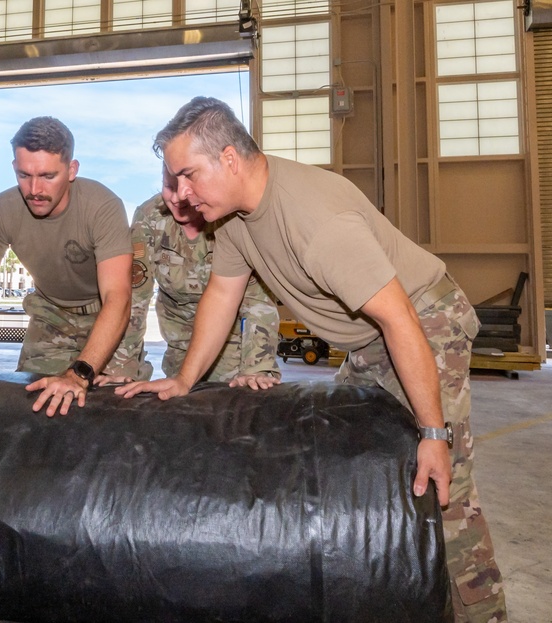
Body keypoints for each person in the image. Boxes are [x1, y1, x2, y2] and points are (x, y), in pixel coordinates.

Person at [118, 97, 505, 623]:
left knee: (443, 484)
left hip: (424, 321)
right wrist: (184, 380)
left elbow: (400, 322)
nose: (180, 194)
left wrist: (435, 435)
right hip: (370, 339)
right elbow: (222, 295)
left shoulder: (314, 221)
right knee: (356, 456)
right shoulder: (232, 219)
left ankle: (486, 614)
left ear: (229, 159)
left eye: (188, 175)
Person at [0, 117, 132, 416]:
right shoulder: (2, 209)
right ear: (14, 168)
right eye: (24, 175)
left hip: (107, 311)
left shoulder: (102, 207)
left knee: (116, 404)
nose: (35, 189)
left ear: (72, 170)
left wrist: (78, 374)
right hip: (51, 312)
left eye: (48, 176)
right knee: (32, 400)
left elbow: (118, 297)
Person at [103, 165, 281, 388]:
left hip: (232, 345)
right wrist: (121, 366)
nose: (177, 198)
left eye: (189, 189)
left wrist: (257, 368)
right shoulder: (150, 217)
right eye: (169, 187)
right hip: (179, 346)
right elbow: (135, 297)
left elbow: (256, 301)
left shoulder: (234, 219)